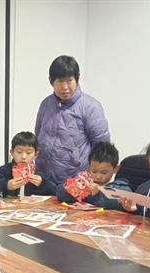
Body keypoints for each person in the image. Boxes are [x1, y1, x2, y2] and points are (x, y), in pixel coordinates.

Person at [35, 55, 110, 185]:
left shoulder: (91, 107)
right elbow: (37, 135)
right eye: (60, 81)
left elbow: (102, 149)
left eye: (69, 81)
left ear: (77, 79)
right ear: (51, 81)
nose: (65, 87)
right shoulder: (46, 104)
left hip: (76, 184)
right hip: (44, 181)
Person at [56, 142, 131, 208]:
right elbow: (61, 195)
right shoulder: (85, 182)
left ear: (116, 169)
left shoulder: (121, 187)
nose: (98, 177)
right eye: (94, 171)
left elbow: (120, 204)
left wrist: (98, 194)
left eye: (104, 172)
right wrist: (73, 187)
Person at [0, 131, 56, 197]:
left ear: (35, 155)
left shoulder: (38, 174)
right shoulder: (5, 170)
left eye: (28, 153)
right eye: (19, 152)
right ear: (12, 153)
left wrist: (42, 184)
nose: (23, 157)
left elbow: (54, 190)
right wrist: (7, 185)